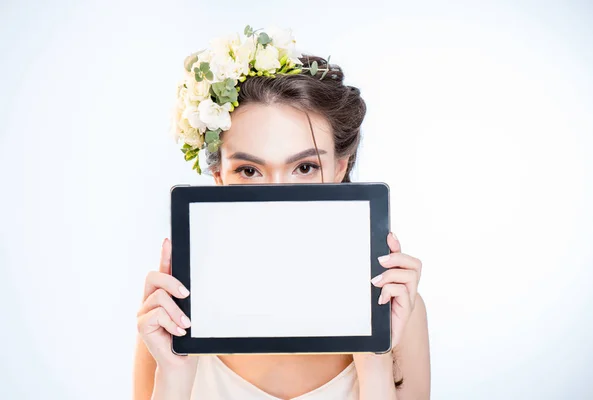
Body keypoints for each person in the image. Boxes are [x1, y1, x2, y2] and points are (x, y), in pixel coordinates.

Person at [133, 26, 430, 400]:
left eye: (305, 168)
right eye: (249, 170)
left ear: (340, 167)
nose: (278, 196)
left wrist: (375, 358)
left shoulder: (398, 306)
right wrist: (174, 375)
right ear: (219, 176)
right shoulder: (168, 314)